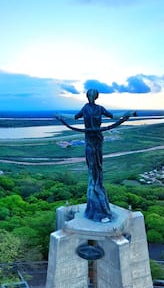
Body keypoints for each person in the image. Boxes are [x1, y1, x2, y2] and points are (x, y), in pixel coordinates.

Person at [57, 89, 134, 222]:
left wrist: (126, 114)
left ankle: (98, 195)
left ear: (96, 97)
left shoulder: (100, 108)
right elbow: (74, 117)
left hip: (97, 138)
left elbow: (113, 116)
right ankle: (93, 193)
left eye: (92, 96)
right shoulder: (85, 108)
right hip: (89, 139)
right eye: (89, 95)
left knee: (97, 165)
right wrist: (61, 116)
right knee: (91, 166)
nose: (91, 97)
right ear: (87, 97)